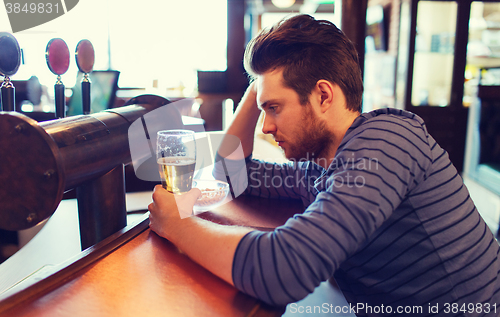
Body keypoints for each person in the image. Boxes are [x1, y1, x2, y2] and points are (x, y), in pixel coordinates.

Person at [148, 14, 500, 316]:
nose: (266, 126)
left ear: (322, 96)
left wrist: (177, 224)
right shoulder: (320, 167)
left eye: (274, 108)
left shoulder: (388, 139)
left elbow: (283, 270)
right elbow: (231, 174)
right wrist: (259, 90)